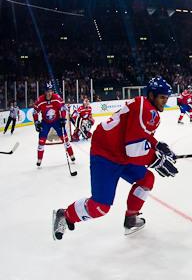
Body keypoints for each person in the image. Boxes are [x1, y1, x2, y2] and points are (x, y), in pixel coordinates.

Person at [51, 77, 179, 241]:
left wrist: (157, 145)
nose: (164, 102)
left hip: (120, 153)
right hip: (105, 154)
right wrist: (156, 159)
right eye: (162, 97)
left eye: (166, 98)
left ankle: (131, 218)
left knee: (147, 179)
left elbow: (139, 136)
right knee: (100, 207)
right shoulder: (145, 108)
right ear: (152, 95)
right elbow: (133, 150)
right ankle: (65, 214)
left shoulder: (146, 107)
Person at [33, 82, 74, 167]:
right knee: (41, 141)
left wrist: (63, 118)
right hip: (45, 123)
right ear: (44, 91)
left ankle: (71, 155)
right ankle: (39, 159)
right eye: (47, 91)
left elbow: (63, 108)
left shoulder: (57, 98)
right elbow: (35, 112)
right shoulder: (40, 100)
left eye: (51, 91)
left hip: (56, 121)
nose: (49, 93)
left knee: (65, 139)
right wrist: (36, 122)